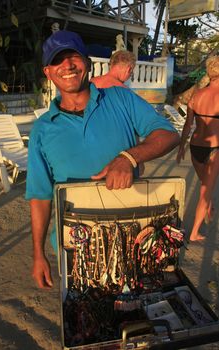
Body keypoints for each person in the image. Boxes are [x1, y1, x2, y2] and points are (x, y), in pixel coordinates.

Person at [26, 30, 180, 289]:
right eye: (57, 60)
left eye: (73, 56)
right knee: (88, 317)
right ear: (48, 72)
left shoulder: (120, 99)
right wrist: (38, 254)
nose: (67, 65)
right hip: (75, 244)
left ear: (86, 63)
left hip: (134, 236)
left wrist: (128, 157)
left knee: (137, 312)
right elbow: (40, 197)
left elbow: (169, 134)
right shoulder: (42, 129)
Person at [176, 55, 219, 242]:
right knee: (205, 191)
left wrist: (181, 147)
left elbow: (187, 124)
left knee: (205, 186)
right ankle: (194, 232)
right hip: (214, 148)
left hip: (195, 146)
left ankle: (208, 208)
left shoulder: (197, 95)